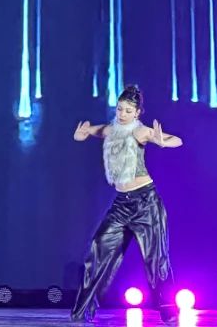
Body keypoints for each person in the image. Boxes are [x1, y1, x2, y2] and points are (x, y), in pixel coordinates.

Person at [70, 84, 182, 325]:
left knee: (156, 259)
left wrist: (163, 141)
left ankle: (168, 310)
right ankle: (83, 310)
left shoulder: (140, 131)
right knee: (98, 249)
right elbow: (94, 130)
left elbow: (177, 140)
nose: (122, 114)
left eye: (128, 111)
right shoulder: (111, 129)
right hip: (121, 204)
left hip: (146, 203)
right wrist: (83, 133)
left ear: (137, 113)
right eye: (120, 109)